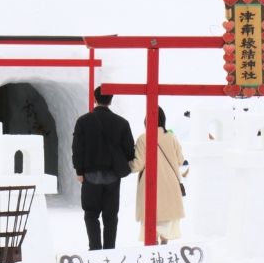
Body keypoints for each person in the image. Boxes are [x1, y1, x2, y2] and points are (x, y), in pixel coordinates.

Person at [72, 86, 135, 250]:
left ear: (94, 99)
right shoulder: (122, 123)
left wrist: (79, 171)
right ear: (111, 100)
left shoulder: (83, 122)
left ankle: (95, 248)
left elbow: (78, 148)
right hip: (112, 176)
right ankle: (109, 250)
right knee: (111, 216)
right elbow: (129, 151)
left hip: (90, 176)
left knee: (91, 214)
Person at [129, 107, 185, 245]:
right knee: (165, 222)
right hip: (170, 185)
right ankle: (164, 250)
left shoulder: (143, 138)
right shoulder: (171, 137)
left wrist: (123, 167)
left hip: (151, 186)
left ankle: (153, 253)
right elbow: (180, 160)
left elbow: (138, 164)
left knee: (151, 223)